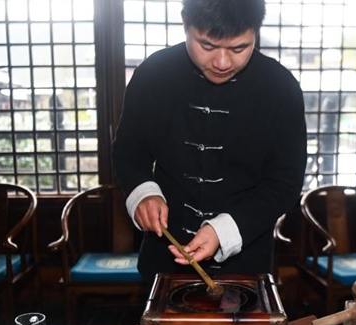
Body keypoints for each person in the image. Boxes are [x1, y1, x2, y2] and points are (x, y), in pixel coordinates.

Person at [113, 0, 306, 281]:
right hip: (163, 257)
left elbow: (285, 182)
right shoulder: (152, 75)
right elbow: (129, 151)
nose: (222, 62)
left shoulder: (281, 87)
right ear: (185, 23)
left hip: (247, 262)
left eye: (239, 48)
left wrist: (225, 230)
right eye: (207, 46)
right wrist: (143, 192)